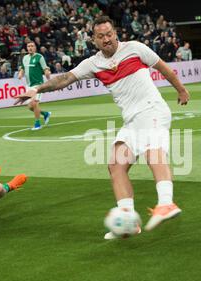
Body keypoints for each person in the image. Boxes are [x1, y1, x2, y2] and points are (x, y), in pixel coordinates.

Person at [14, 16, 190, 239]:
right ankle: (128, 220)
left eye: (109, 34)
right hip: (131, 120)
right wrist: (36, 89)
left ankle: (166, 203)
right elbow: (65, 79)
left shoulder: (135, 48)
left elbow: (165, 69)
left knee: (153, 152)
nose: (106, 39)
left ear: (115, 33)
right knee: (116, 164)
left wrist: (181, 90)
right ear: (94, 40)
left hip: (152, 110)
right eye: (101, 36)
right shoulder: (93, 63)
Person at [17, 41, 52, 130]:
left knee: (34, 103)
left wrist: (47, 74)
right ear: (27, 48)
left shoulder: (39, 57)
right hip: (29, 85)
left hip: (38, 85)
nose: (30, 48)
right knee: (30, 107)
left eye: (32, 46)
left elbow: (45, 68)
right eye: (28, 46)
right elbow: (22, 68)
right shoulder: (24, 58)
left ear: (35, 47)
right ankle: (45, 114)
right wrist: (20, 74)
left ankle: (37, 124)